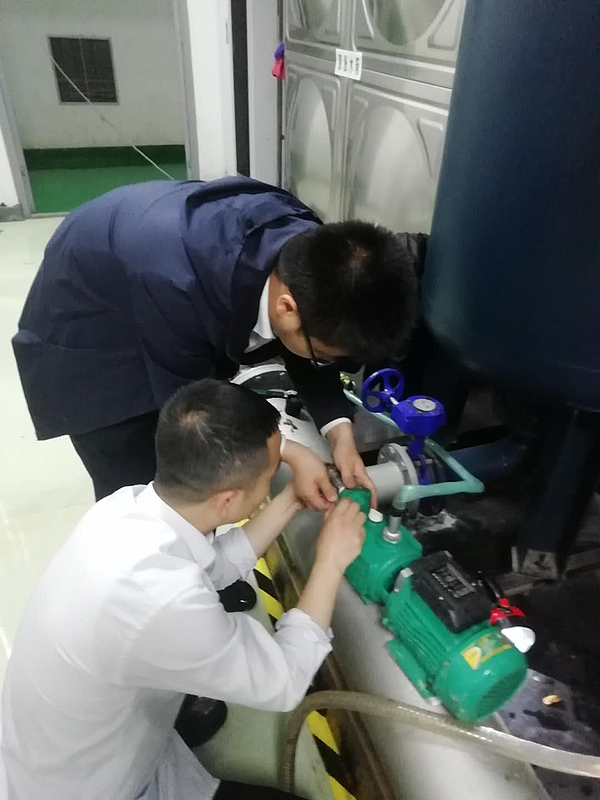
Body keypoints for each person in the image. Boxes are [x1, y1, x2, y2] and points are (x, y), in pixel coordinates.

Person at [0, 379, 366, 800]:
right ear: (227, 501)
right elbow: (281, 681)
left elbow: (212, 568)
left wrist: (291, 501)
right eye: (269, 478)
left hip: (81, 742)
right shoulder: (163, 599)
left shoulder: (126, 507)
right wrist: (330, 562)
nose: (272, 483)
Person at [12, 177, 419, 510]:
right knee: (139, 492)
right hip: (88, 339)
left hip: (140, 262)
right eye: (326, 356)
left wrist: (340, 435)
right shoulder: (177, 284)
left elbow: (313, 345)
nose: (327, 361)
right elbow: (191, 408)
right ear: (286, 307)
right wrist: (290, 452)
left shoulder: (312, 253)